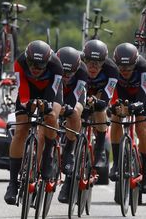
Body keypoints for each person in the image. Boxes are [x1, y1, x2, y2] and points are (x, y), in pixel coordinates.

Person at [4, 40, 63, 205]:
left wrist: (47, 106)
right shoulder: (20, 62)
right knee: (21, 129)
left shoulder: (56, 65)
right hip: (28, 90)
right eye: (32, 64)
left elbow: (53, 91)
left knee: (51, 116)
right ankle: (13, 183)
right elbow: (22, 91)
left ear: (47, 62)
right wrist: (27, 104)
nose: (35, 69)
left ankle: (48, 155)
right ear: (27, 59)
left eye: (40, 66)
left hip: (50, 91)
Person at [109, 42, 146, 191]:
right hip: (122, 94)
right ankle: (116, 163)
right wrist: (113, 106)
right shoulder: (112, 68)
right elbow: (111, 89)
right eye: (121, 67)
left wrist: (138, 105)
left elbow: (144, 90)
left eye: (128, 67)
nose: (124, 70)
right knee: (115, 120)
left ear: (135, 63)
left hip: (141, 96)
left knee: (141, 129)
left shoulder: (144, 67)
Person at [54, 46, 88, 203]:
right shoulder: (52, 66)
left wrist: (68, 108)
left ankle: (70, 150)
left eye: (70, 73)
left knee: (74, 112)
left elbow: (77, 96)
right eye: (64, 73)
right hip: (55, 93)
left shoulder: (82, 71)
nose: (66, 76)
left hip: (74, 95)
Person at [82, 40, 119, 172]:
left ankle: (100, 149)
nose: (93, 67)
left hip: (100, 93)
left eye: (97, 63)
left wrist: (100, 102)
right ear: (84, 59)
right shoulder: (78, 65)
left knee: (100, 109)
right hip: (83, 91)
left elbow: (108, 94)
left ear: (104, 62)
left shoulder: (112, 69)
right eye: (90, 62)